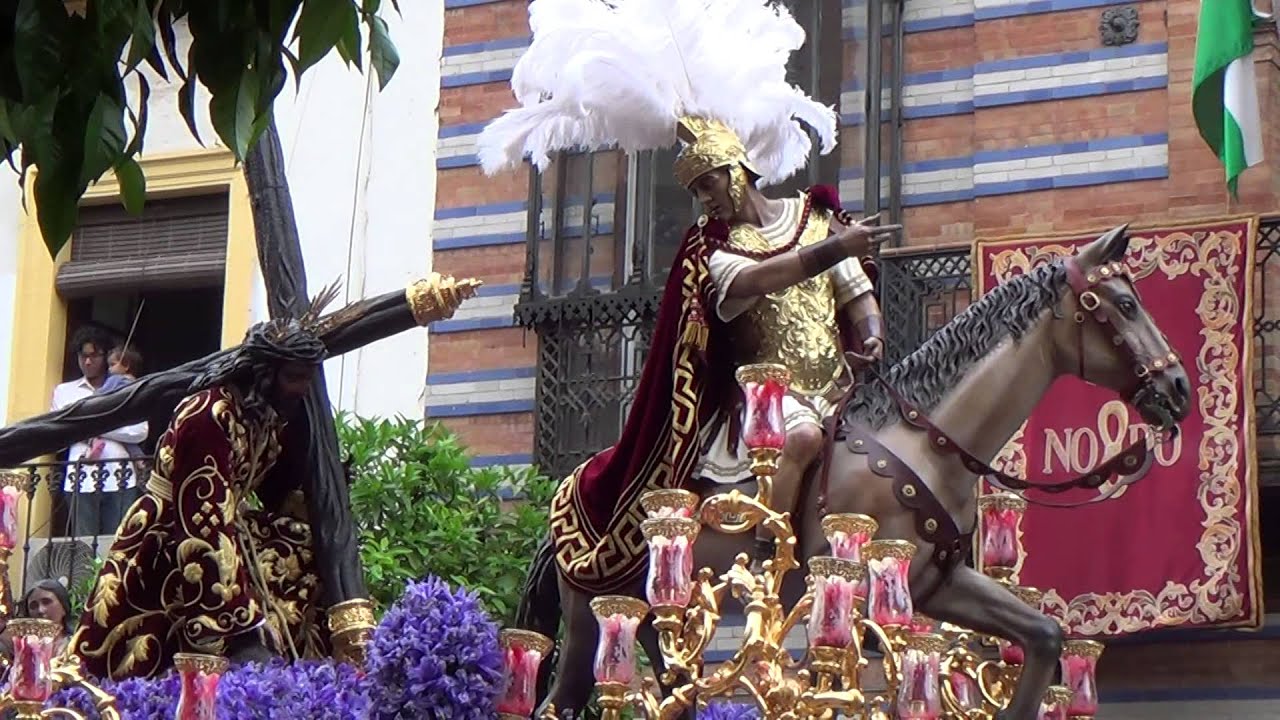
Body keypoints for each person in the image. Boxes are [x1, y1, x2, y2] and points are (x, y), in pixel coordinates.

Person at [477, 0, 899, 589]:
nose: (706, 197)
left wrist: (873, 335)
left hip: (840, 386)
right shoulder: (716, 254)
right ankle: (770, 551)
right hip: (769, 406)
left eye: (710, 182)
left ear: (738, 170)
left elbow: (855, 293)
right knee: (800, 436)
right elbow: (764, 280)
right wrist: (837, 247)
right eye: (698, 188)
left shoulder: (815, 217)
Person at [67, 317, 332, 681]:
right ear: (264, 373)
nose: (303, 389)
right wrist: (244, 623)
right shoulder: (209, 415)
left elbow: (271, 488)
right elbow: (202, 525)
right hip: (169, 540)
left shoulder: (261, 414)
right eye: (294, 377)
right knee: (142, 673)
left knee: (300, 544)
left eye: (307, 378)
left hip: (225, 530)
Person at [50, 327, 148, 538]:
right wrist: (107, 425)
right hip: (80, 477)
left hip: (122, 477)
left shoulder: (127, 387)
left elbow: (139, 432)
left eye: (94, 356)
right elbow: (59, 433)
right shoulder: (65, 392)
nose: (87, 362)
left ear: (106, 356)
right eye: (83, 356)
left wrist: (91, 427)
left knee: (118, 543)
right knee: (83, 545)